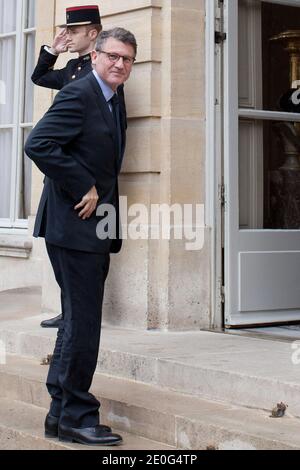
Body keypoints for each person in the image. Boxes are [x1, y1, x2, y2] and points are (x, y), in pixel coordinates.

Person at [25, 27, 137, 446]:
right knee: (83, 324)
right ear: (95, 56)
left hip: (92, 227)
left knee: (77, 321)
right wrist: (83, 184)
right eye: (112, 56)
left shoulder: (111, 96)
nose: (119, 64)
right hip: (74, 226)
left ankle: (60, 413)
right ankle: (76, 415)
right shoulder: (79, 94)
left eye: (127, 59)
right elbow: (39, 143)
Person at [31, 5, 127, 329]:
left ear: (93, 33)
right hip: (67, 183)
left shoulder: (105, 72)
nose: (67, 36)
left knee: (89, 263)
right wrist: (52, 51)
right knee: (64, 259)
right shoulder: (73, 69)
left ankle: (75, 315)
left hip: (93, 188)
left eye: (73, 31)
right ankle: (70, 313)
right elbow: (40, 77)